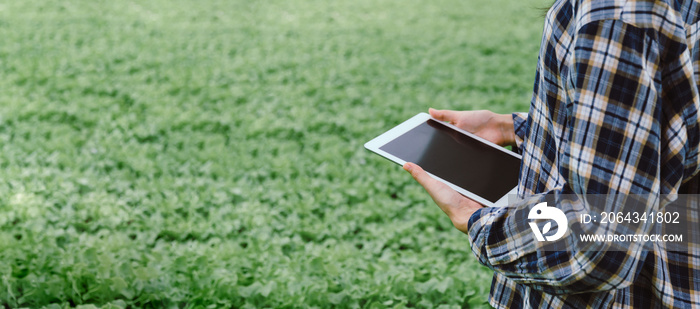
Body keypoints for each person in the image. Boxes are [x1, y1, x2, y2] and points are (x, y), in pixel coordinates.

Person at [403, 0, 700, 308]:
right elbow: (671, 127)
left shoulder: (615, 14)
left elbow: (596, 238)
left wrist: (480, 222)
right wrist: (513, 127)